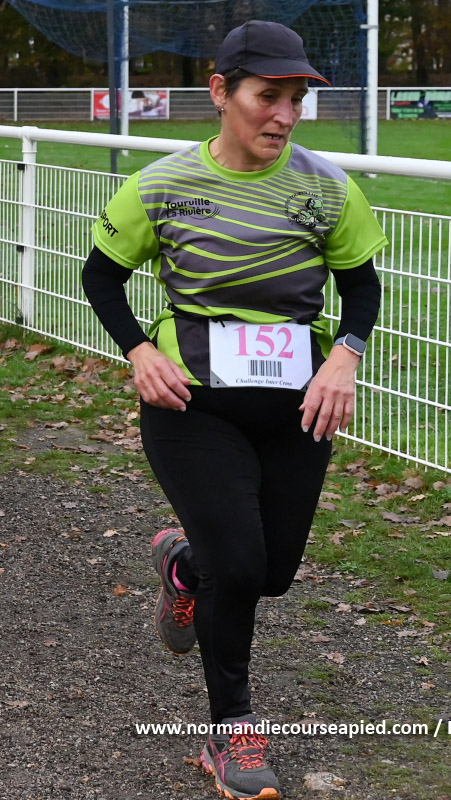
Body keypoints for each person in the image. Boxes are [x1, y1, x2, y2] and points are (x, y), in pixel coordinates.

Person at [82, 19, 387, 800]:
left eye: (296, 100)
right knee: (241, 568)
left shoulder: (326, 189)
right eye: (267, 96)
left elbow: (361, 286)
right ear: (221, 92)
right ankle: (232, 732)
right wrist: (138, 352)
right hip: (192, 408)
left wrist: (345, 356)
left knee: (272, 574)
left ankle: (183, 565)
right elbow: (101, 276)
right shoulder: (162, 186)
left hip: (295, 410)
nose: (284, 116)